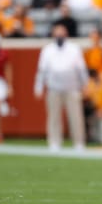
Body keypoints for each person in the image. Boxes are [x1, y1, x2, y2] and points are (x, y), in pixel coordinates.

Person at [34, 23, 89, 152]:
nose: (59, 36)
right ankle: (54, 142)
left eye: (61, 33)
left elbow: (81, 69)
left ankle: (79, 143)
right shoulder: (47, 50)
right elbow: (42, 70)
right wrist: (38, 87)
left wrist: (85, 85)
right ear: (53, 35)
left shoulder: (74, 49)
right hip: (54, 88)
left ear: (66, 34)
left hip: (72, 87)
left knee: (76, 116)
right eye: (57, 33)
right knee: (54, 117)